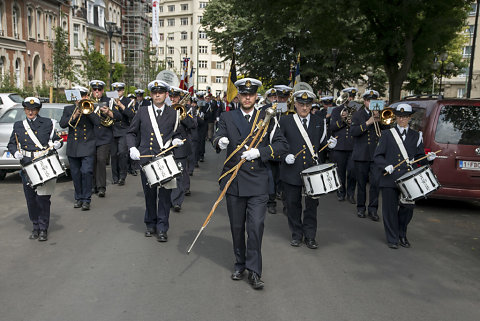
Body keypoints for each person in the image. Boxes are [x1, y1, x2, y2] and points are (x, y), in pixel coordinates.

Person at [212, 78, 288, 290]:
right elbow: (217, 136)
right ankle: (240, 264)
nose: (247, 97)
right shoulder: (228, 116)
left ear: (256, 96)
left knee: (255, 227)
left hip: (257, 182)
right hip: (234, 181)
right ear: (238, 96)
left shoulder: (267, 117)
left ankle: (254, 271)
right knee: (237, 227)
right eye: (243, 94)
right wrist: (220, 141)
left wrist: (261, 152)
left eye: (251, 94)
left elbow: (281, 144)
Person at [374, 103, 437, 249]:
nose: (402, 119)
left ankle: (402, 233)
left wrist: (429, 158)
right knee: (389, 210)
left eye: (405, 117)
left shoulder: (416, 136)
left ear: (410, 118)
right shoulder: (387, 134)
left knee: (407, 209)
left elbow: (420, 156)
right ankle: (392, 238)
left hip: (409, 179)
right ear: (396, 117)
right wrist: (385, 165)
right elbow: (377, 156)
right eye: (400, 116)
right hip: (390, 178)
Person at [126, 80, 183, 242]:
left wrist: (177, 140)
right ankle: (150, 223)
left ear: (166, 95)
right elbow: (131, 133)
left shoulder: (173, 113)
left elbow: (177, 133)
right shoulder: (143, 112)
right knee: (149, 195)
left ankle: (162, 227)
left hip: (165, 160)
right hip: (147, 160)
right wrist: (132, 148)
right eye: (154, 92)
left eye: (161, 92)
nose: (157, 95)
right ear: (151, 94)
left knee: (165, 196)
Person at [279, 90, 337, 249]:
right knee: (293, 204)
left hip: (313, 171)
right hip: (292, 169)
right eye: (301, 104)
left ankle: (310, 236)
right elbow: (278, 144)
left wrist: (331, 145)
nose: (304, 108)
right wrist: (284, 156)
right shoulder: (285, 121)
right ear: (295, 104)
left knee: (312, 205)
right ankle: (296, 234)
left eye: (308, 105)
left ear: (312, 105)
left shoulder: (319, 121)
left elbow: (323, 143)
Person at [8, 97, 63, 241]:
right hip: (27, 165)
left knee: (43, 198)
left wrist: (57, 143)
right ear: (24, 110)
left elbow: (57, 139)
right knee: (31, 199)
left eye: (33, 110)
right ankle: (35, 226)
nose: (30, 112)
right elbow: (11, 144)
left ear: (38, 110)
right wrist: (15, 153)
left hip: (43, 164)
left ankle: (43, 228)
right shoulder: (19, 125)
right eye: (27, 109)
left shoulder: (47, 123)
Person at [59, 86, 99, 211]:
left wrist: (89, 111)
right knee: (75, 174)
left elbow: (98, 123)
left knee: (86, 172)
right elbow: (63, 124)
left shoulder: (91, 107)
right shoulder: (68, 109)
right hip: (74, 147)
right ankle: (79, 198)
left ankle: (87, 199)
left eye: (84, 96)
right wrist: (75, 113)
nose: (82, 98)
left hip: (87, 145)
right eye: (79, 96)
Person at [350, 89, 382, 221]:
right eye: (369, 100)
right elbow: (354, 132)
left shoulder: (381, 115)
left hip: (375, 155)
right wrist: (368, 122)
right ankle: (361, 208)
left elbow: (386, 132)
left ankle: (373, 210)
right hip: (361, 155)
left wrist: (380, 120)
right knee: (362, 184)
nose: (371, 103)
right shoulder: (357, 115)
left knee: (375, 184)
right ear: (365, 101)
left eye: (374, 101)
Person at [90, 80, 121, 197]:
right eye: (94, 89)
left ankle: (101, 187)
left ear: (102, 90)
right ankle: (93, 185)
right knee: (92, 161)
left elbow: (118, 116)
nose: (97, 92)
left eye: (99, 89)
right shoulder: (88, 102)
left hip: (104, 137)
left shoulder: (109, 101)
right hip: (91, 136)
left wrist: (108, 112)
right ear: (92, 90)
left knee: (101, 160)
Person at [168, 87, 196, 211]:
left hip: (180, 146)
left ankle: (177, 202)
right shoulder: (163, 109)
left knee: (179, 174)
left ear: (179, 97)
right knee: (168, 175)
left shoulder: (185, 109)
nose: (172, 99)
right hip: (166, 146)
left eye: (175, 97)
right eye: (171, 96)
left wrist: (182, 116)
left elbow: (193, 125)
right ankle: (169, 199)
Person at [330, 88, 357, 204]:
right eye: (348, 97)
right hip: (340, 145)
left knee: (352, 171)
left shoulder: (357, 110)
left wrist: (353, 123)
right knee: (340, 171)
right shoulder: (336, 110)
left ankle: (351, 194)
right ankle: (341, 192)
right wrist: (342, 120)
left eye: (352, 97)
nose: (349, 99)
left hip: (352, 145)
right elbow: (332, 127)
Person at [111, 82, 135, 186]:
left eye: (119, 90)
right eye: (115, 90)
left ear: (123, 91)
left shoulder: (127, 101)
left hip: (123, 130)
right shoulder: (109, 101)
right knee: (113, 155)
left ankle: (122, 176)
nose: (117, 92)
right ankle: (115, 177)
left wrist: (120, 105)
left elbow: (131, 115)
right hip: (112, 130)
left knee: (122, 153)